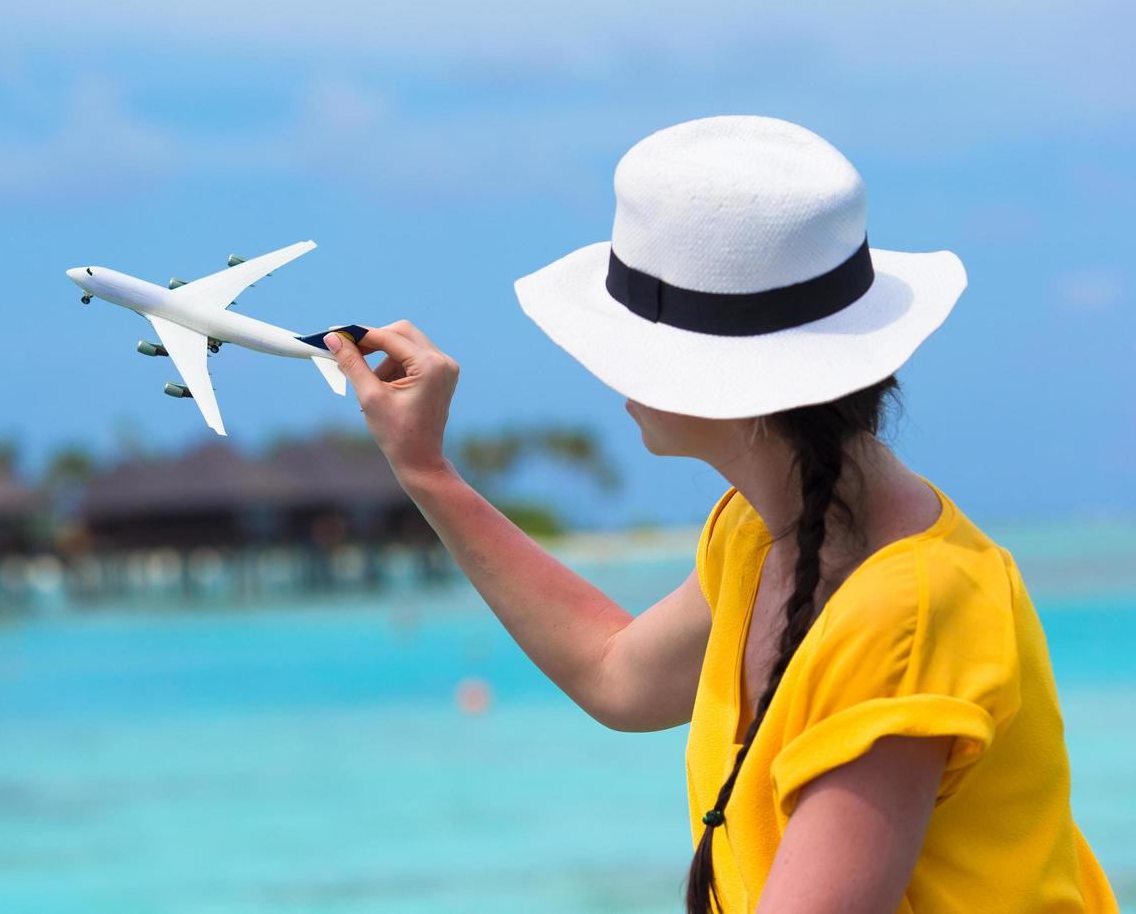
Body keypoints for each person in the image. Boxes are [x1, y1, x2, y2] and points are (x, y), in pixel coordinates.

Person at [322, 116, 1117, 913]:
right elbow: (617, 675)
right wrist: (426, 470)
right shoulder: (758, 529)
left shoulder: (907, 613)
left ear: (724, 383)